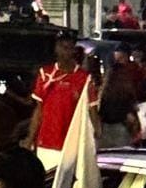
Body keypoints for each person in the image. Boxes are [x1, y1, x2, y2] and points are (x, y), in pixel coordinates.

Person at [26, 34, 97, 171]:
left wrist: (95, 136)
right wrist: (30, 138)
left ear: (73, 51)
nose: (65, 52)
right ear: (56, 49)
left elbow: (92, 110)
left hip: (72, 143)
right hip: (46, 143)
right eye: (62, 47)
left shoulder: (84, 78)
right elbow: (38, 110)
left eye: (69, 48)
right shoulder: (45, 74)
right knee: (48, 184)